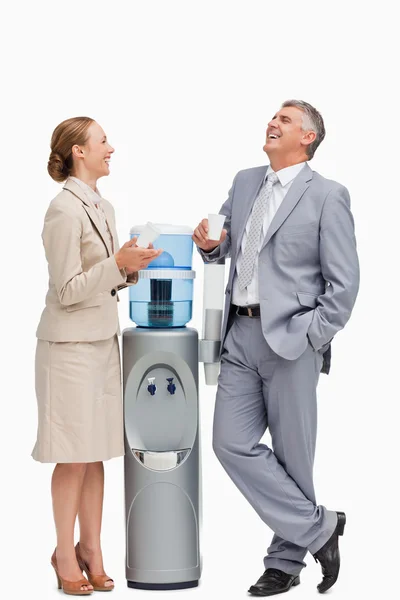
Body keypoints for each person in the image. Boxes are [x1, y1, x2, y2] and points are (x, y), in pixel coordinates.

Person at [193, 100, 359, 596]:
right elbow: (225, 246)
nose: (273, 122)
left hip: (291, 341)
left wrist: (312, 336)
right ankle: (319, 528)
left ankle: (284, 563)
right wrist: (208, 244)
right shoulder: (246, 182)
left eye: (285, 120)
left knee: (293, 457)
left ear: (308, 137)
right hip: (239, 335)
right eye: (274, 117)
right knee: (229, 443)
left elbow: (344, 285)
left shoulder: (328, 195)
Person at [32, 117, 162, 595]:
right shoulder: (63, 210)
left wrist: (127, 268)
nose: (111, 148)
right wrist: (116, 265)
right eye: (102, 141)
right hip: (67, 350)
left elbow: (102, 280)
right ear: (77, 152)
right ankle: (64, 554)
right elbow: (66, 291)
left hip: (101, 344)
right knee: (72, 457)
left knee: (97, 456)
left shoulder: (103, 208)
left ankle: (93, 549)